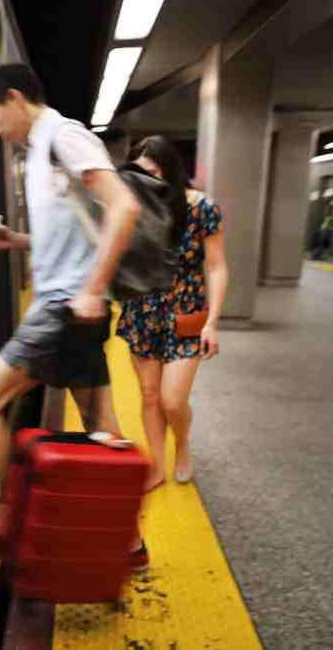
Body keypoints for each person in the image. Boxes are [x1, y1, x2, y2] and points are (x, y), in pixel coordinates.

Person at [0, 63, 148, 566]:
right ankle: (130, 543)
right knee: (100, 425)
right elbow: (76, 228)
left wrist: (93, 290)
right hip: (73, 307)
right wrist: (14, 241)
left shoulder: (64, 136)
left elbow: (124, 207)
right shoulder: (40, 151)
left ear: (14, 98)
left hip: (65, 307)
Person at [115, 136, 229, 491]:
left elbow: (216, 267)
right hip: (142, 312)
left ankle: (182, 445)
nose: (149, 179)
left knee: (172, 400)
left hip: (185, 315)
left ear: (169, 169)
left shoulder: (202, 208)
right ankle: (157, 464)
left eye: (154, 171)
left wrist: (213, 322)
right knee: (149, 396)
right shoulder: (133, 208)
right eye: (142, 173)